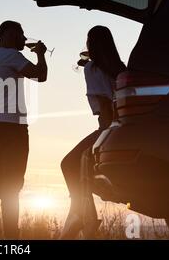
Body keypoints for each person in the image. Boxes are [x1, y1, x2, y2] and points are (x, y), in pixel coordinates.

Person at [0, 20, 49, 239]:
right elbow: (40, 75)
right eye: (20, 34)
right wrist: (41, 54)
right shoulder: (11, 56)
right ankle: (11, 237)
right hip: (13, 128)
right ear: (7, 34)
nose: (23, 38)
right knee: (13, 184)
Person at [60, 26, 126, 239]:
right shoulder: (121, 68)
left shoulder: (92, 69)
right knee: (81, 167)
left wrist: (105, 134)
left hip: (107, 126)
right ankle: (85, 216)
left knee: (69, 164)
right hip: (124, 126)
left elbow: (104, 107)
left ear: (91, 44)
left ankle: (81, 214)